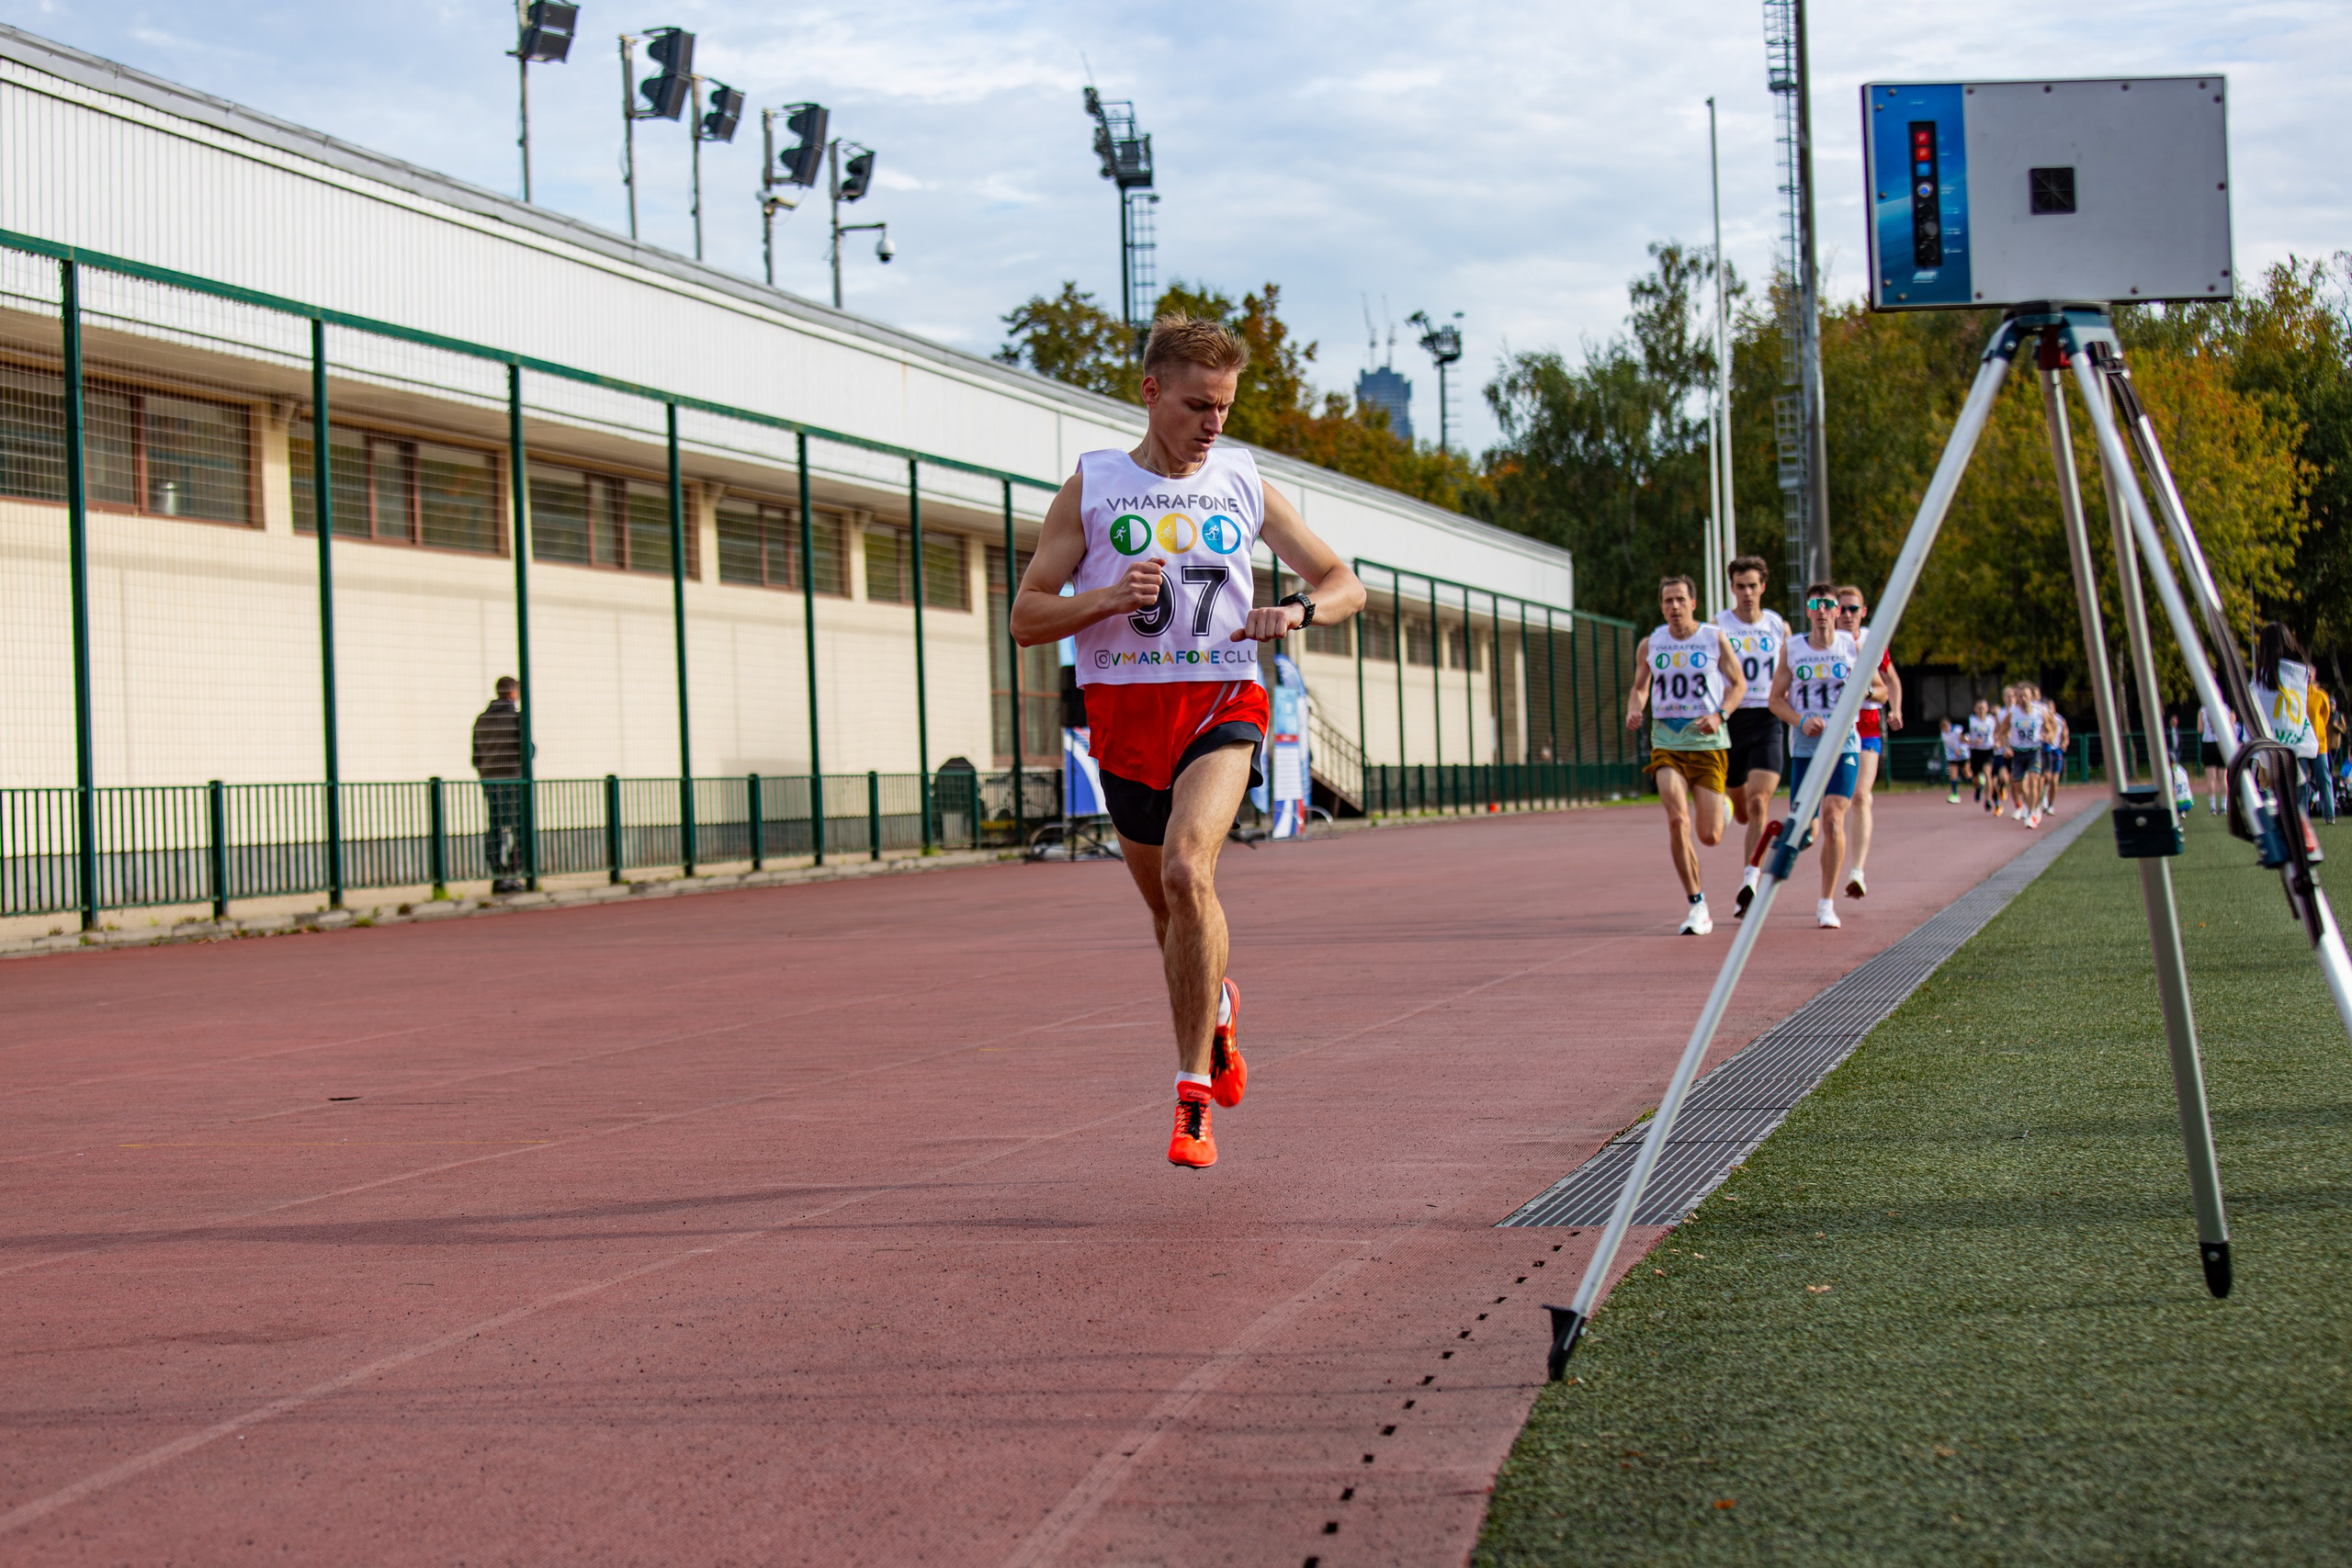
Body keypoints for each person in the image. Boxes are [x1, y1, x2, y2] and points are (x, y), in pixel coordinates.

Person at [1011, 313, 1364, 1170]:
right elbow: (1026, 616)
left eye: (1226, 407)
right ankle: (1219, 1007)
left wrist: (1299, 611)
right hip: (1127, 726)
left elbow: (1345, 581)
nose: (1215, 423)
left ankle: (1191, 1096)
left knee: (1186, 869)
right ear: (1151, 391)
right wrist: (1101, 598)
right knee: (1174, 920)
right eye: (1200, 404)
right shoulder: (1091, 487)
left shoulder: (1242, 480)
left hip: (1220, 704)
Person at [1624, 575, 1747, 934]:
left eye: (1680, 599)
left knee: (1710, 836)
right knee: (1678, 819)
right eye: (1667, 601)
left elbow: (1738, 684)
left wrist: (1720, 714)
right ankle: (1698, 905)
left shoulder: (1713, 638)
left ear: (1693, 603)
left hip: (1707, 744)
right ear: (1661, 606)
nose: (1674, 607)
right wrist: (1636, 708)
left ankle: (1725, 807)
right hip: (1667, 744)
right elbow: (1640, 688)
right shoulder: (1651, 644)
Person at [1770, 582, 1886, 929]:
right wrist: (1801, 720)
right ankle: (1800, 832)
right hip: (1806, 746)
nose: (1822, 610)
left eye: (1828, 605)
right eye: (1815, 605)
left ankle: (1826, 903)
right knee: (1807, 825)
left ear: (1837, 611)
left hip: (1845, 742)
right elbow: (1775, 700)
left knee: (1835, 816)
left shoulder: (1854, 646)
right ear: (1808, 611)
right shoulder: (1792, 649)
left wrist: (1862, 688)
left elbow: (1880, 690)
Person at [1715, 555, 1791, 917]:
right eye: (1740, 586)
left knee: (1760, 803)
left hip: (1767, 719)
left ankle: (1750, 881)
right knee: (1742, 811)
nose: (1747, 593)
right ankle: (1741, 820)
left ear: (1763, 586)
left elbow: (1795, 669)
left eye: (1753, 585)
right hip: (1730, 721)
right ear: (1732, 588)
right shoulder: (1717, 627)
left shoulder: (1778, 627)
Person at [1833, 586, 1900, 898]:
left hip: (1867, 728)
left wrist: (1890, 706)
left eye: (1853, 609)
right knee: (1835, 804)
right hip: (1831, 730)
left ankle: (1857, 871)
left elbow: (1889, 685)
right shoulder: (1823, 642)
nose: (1847, 615)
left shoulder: (1872, 642)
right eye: (1842, 609)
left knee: (1861, 797)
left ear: (1864, 611)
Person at [2250, 621, 2324, 826]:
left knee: (2272, 817)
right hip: (2296, 756)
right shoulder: (2299, 678)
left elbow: (2253, 718)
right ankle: (2301, 851)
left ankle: (2279, 851)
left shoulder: (2258, 682)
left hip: (2269, 757)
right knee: (2299, 820)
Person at [470, 676, 527, 894]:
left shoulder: (482, 719)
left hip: (490, 781)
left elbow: (476, 757)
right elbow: (528, 751)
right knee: (520, 829)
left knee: (495, 829)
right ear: (513, 694)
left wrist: (486, 771)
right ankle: (513, 874)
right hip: (514, 781)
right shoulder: (517, 719)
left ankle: (498, 875)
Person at [2005, 683, 2051, 828]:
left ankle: (2032, 813)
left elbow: (2052, 726)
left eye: (2025, 695)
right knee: (2019, 786)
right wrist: (2004, 745)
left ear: (2031, 697)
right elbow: (2001, 730)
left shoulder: (2040, 711)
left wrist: (2049, 735)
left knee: (2034, 780)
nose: (2022, 698)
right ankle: (2028, 804)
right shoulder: (2012, 713)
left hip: (2034, 750)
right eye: (2019, 696)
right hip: (2018, 752)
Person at [1964, 697, 1999, 809]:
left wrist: (1997, 742)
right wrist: (1972, 741)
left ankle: (1988, 799)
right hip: (1975, 751)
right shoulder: (1971, 720)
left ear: (1987, 709)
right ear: (1975, 709)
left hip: (1988, 751)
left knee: (1987, 773)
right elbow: (1961, 738)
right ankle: (1978, 788)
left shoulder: (1992, 720)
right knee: (1975, 779)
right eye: (1979, 708)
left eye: (1983, 708)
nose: (1981, 710)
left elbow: (1998, 733)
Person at [1940, 716, 1971, 803]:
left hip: (1963, 755)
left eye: (1945, 726)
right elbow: (1947, 745)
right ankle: (1954, 794)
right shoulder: (1943, 734)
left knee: (1967, 774)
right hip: (1952, 756)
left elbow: (1966, 740)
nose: (1944, 728)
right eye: (1942, 727)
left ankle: (1978, 782)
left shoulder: (1958, 729)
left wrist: (1960, 749)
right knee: (1953, 775)